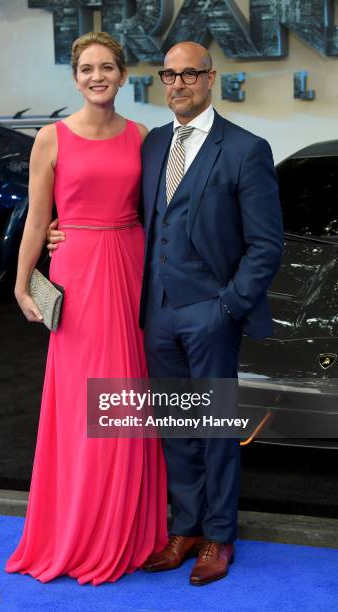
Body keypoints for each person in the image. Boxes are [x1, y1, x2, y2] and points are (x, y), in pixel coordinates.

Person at [48, 40, 284, 587]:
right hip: (155, 312)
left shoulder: (246, 149)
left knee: (215, 429)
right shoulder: (152, 144)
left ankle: (219, 538)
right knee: (177, 428)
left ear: (210, 79)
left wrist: (227, 307)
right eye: (169, 76)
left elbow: (266, 245)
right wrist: (64, 232)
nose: (178, 84)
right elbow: (116, 211)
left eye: (189, 75)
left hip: (211, 313)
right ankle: (186, 528)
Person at [5, 31, 168, 586]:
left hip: (131, 267)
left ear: (123, 75)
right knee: (80, 404)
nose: (97, 76)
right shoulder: (49, 139)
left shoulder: (143, 136)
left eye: (107, 67)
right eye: (86, 69)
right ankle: (78, 528)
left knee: (129, 396)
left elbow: (155, 215)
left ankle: (126, 527)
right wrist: (24, 281)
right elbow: (35, 218)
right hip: (77, 275)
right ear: (75, 78)